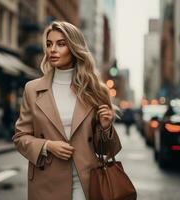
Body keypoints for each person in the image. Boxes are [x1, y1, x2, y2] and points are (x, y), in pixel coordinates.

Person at [12, 21, 122, 200]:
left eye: (61, 44)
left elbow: (107, 150)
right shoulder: (32, 89)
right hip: (46, 182)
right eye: (49, 44)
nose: (52, 50)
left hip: (85, 181)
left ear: (74, 47)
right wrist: (48, 146)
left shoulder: (94, 90)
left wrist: (106, 127)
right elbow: (20, 137)